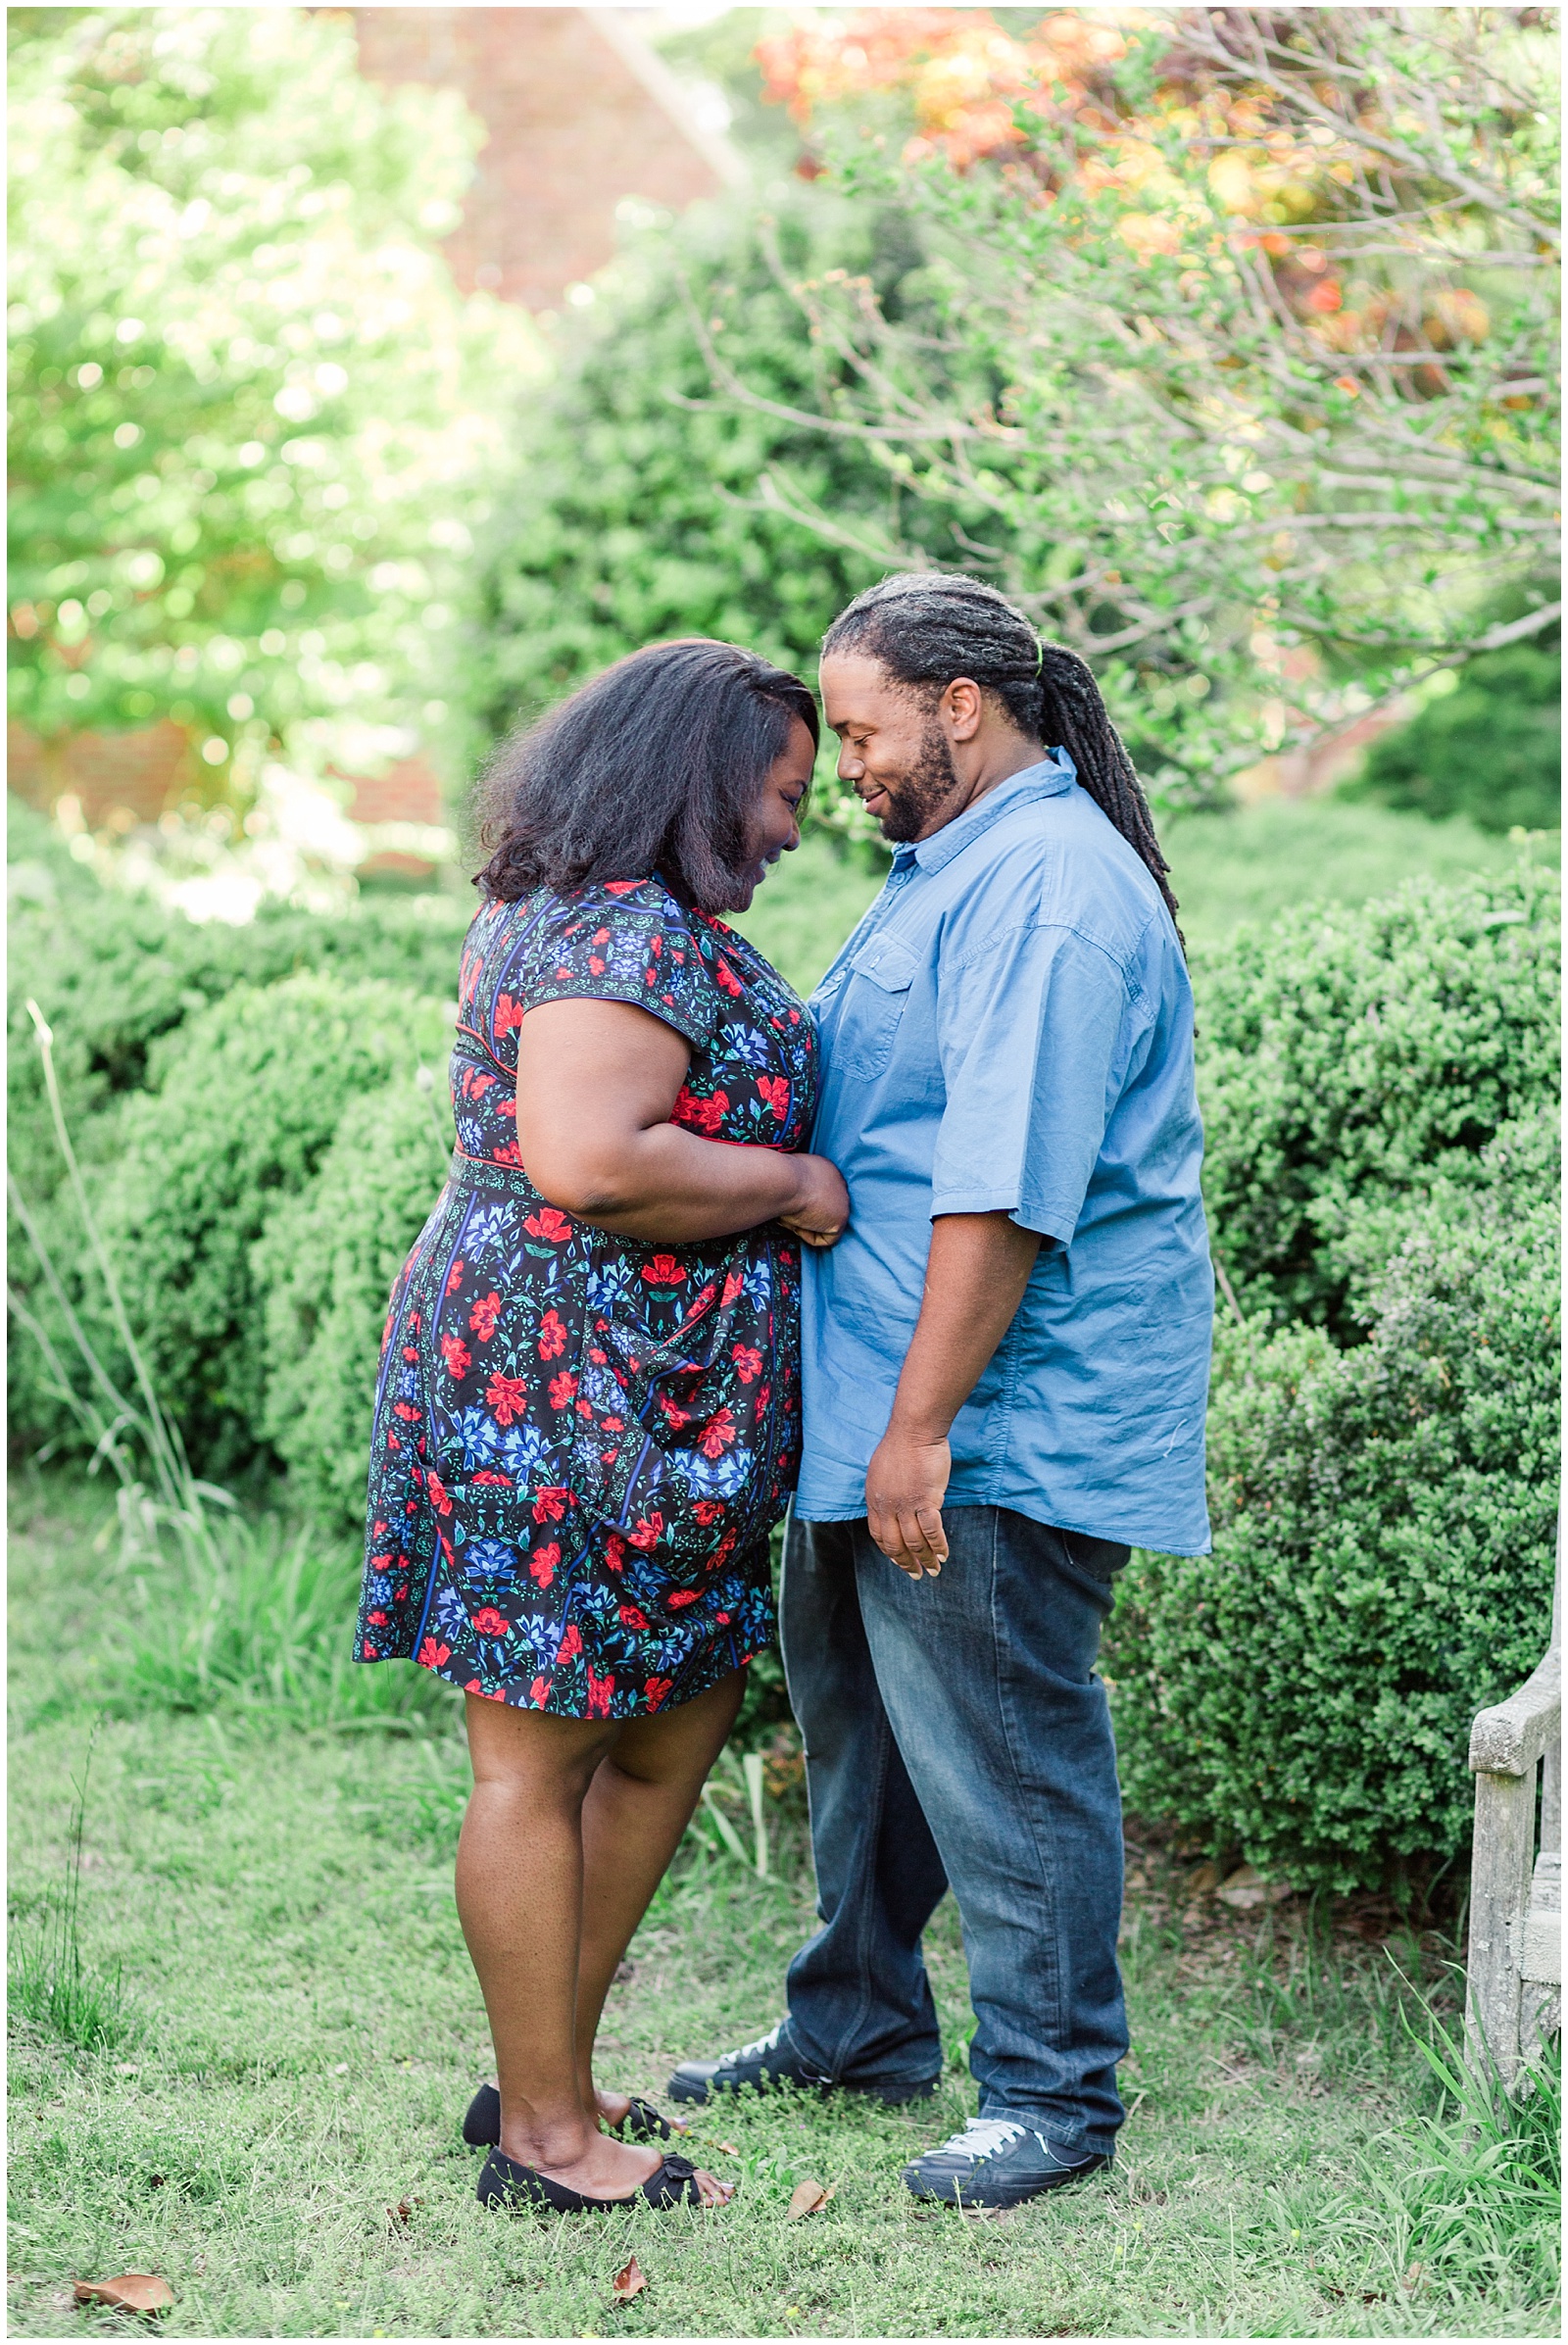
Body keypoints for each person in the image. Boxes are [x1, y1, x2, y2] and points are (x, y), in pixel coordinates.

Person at [667, 575, 1213, 2211]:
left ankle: (1052, 2091)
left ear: (959, 707)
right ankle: (857, 2021)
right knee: (873, 1738)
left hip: (989, 1420)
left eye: (860, 727)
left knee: (1004, 1741)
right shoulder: (947, 871)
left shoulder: (1046, 888)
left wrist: (920, 1430)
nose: (844, 763)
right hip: (880, 1403)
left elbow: (1004, 1193)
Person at [354, 640, 850, 2217]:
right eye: (782, 792)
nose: (792, 824)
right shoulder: (613, 928)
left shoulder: (599, 914)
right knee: (542, 1746)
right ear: (701, 778)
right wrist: (792, 1184)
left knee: (670, 1724)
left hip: (650, 1386)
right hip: (554, 1376)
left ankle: (545, 2065)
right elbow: (583, 1150)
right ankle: (549, 2142)